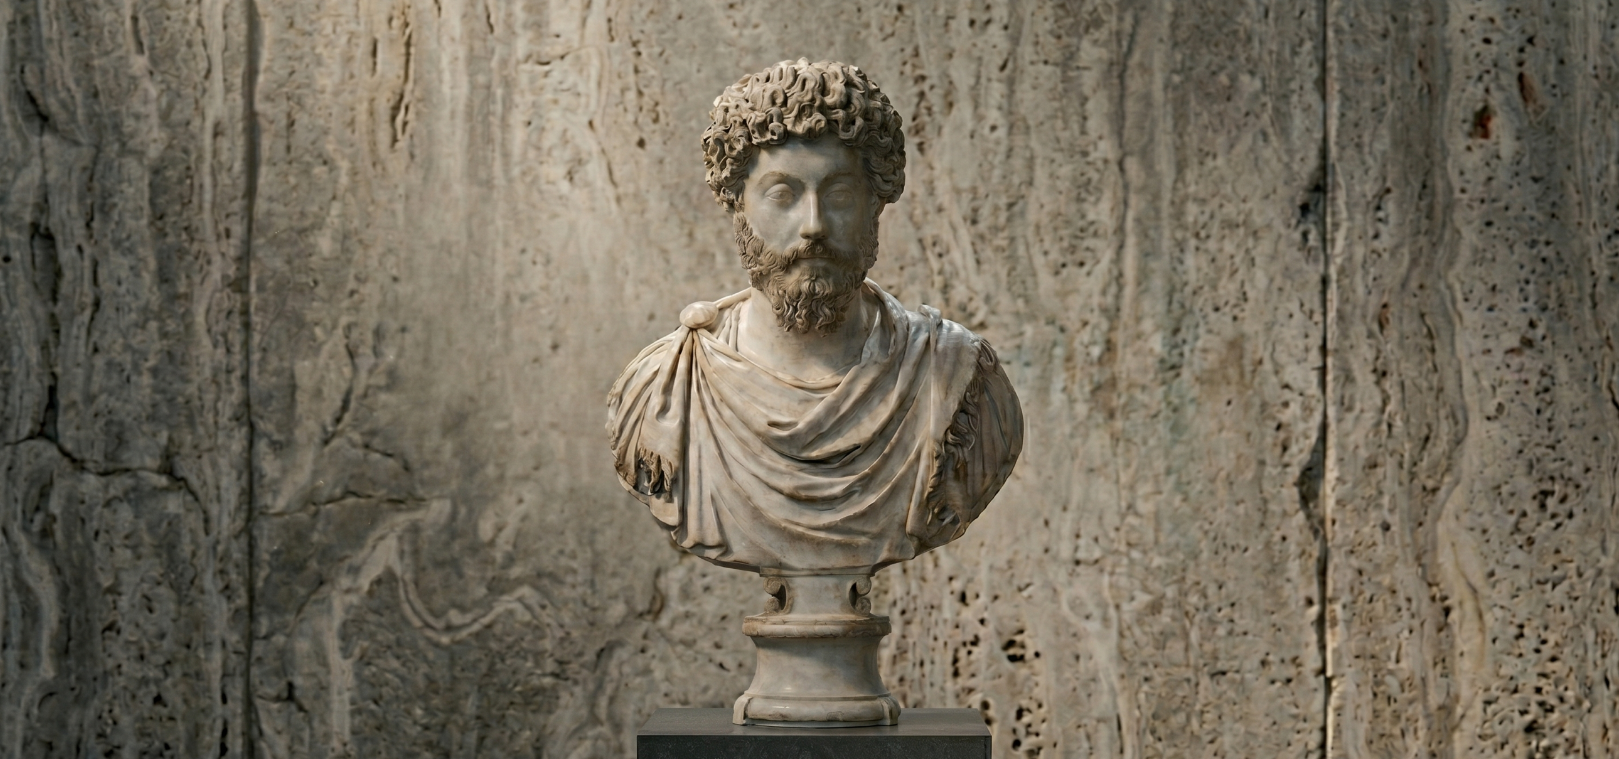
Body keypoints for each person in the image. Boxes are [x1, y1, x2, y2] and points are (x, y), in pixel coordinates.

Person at [608, 59, 1023, 573]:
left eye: (840, 194)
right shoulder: (665, 388)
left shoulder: (958, 381)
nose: (813, 226)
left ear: (876, 202)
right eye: (782, 194)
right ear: (737, 203)